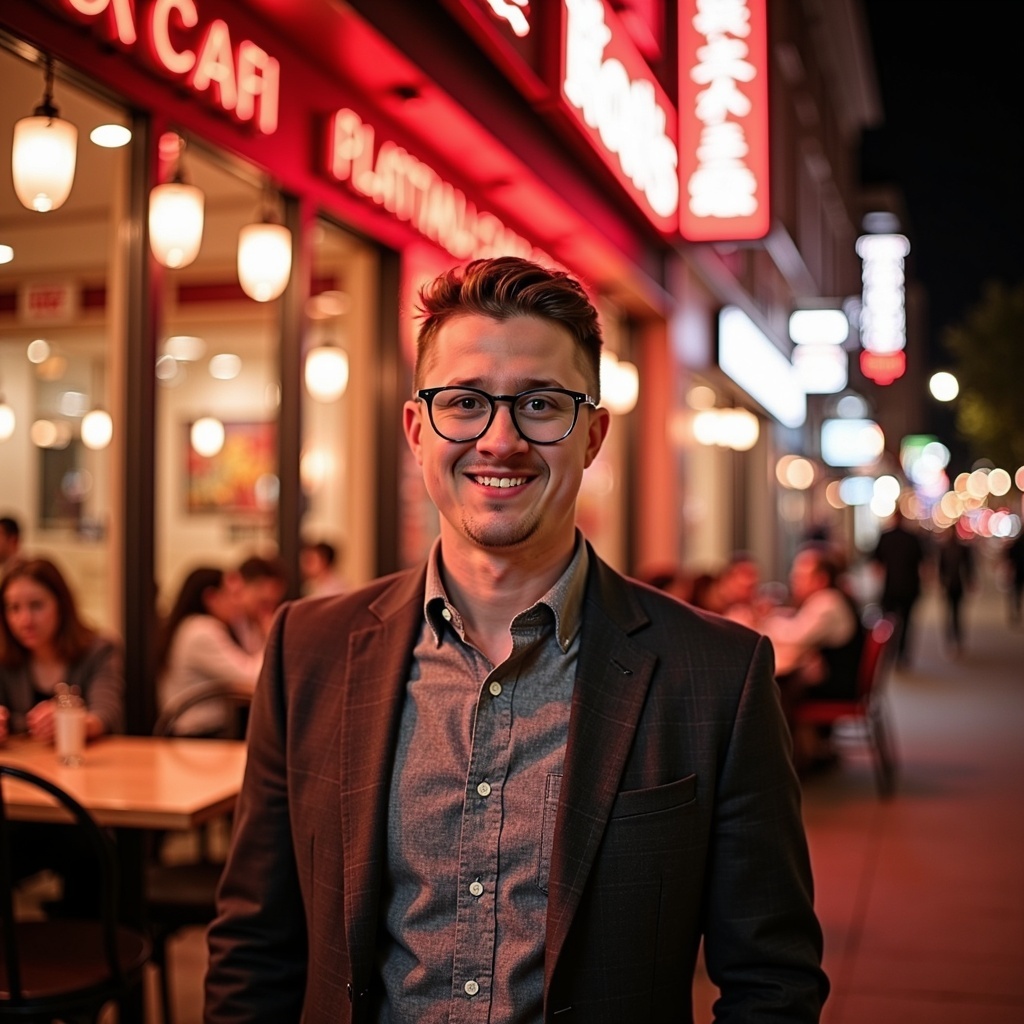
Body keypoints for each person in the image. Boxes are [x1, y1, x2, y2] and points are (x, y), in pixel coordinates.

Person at [205, 257, 827, 1023]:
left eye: (540, 404)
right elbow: (254, 947)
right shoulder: (310, 649)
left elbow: (773, 980)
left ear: (592, 434)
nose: (500, 441)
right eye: (464, 402)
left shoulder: (717, 675)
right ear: (417, 429)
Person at [0, 557, 125, 915]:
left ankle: (87, 957)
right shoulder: (6, 657)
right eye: (13, 608)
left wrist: (74, 719)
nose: (25, 619)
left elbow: (106, 712)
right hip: (20, 805)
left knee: (90, 852)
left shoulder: (98, 649)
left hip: (80, 802)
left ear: (62, 605)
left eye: (36, 606)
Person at [759, 543, 865, 768]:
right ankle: (805, 753)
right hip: (841, 677)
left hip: (839, 685)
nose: (793, 579)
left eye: (800, 575)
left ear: (821, 579)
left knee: (776, 691)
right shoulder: (830, 598)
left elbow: (797, 635)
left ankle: (787, 762)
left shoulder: (827, 603)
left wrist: (765, 619)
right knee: (783, 684)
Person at [157, 566, 262, 736]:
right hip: (198, 734)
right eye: (232, 594)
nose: (238, 602)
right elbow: (252, 677)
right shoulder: (202, 630)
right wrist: (273, 637)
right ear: (211, 598)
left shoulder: (189, 626)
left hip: (193, 731)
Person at [871, 507, 925, 667]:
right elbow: (922, 564)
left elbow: (876, 563)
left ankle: (889, 651)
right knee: (907, 622)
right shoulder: (912, 538)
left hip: (890, 587)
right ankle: (902, 653)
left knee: (888, 621)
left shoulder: (885, 537)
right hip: (910, 587)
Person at [232, 554, 289, 654]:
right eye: (264, 602)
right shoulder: (227, 625)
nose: (269, 609)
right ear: (241, 587)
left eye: (274, 603)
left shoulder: (259, 625)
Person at [936, 528, 975, 655]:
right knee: (950, 613)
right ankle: (951, 640)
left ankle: (957, 640)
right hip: (950, 585)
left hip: (957, 585)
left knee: (956, 613)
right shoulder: (945, 548)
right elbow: (941, 569)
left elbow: (968, 566)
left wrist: (970, 581)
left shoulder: (961, 548)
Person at [1006, 531, 1024, 625]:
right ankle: (1017, 610)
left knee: (1016, 592)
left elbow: (1010, 557)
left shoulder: (1016, 543)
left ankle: (1017, 610)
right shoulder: (1017, 544)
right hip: (1018, 571)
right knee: (1017, 592)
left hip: (1017, 571)